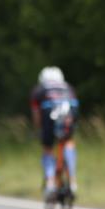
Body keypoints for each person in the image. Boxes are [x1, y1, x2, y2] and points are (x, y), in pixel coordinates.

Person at [30, 66, 79, 200]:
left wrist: (39, 130)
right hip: (68, 116)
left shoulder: (39, 90)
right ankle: (73, 180)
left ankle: (50, 182)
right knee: (68, 142)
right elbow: (75, 109)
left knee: (48, 149)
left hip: (48, 116)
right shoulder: (68, 87)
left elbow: (36, 115)